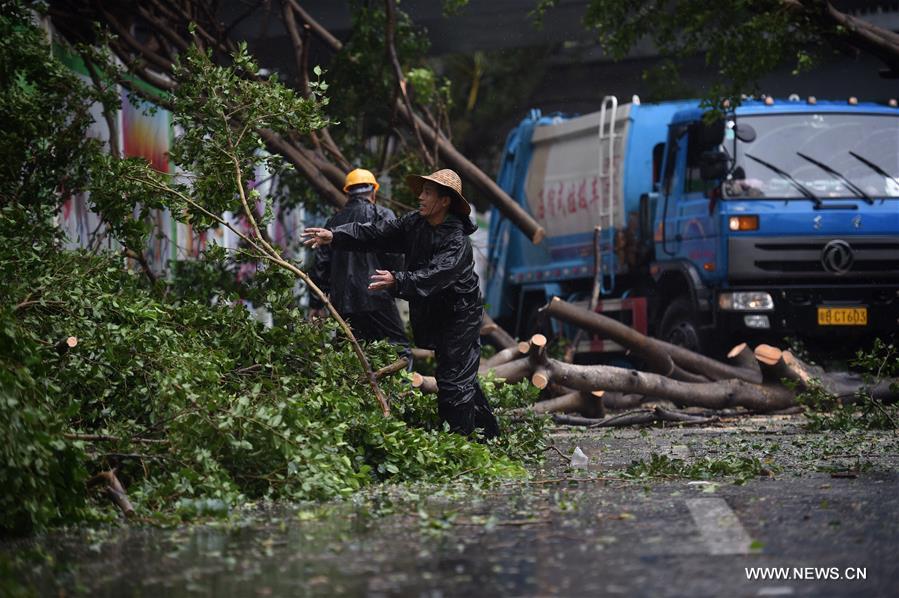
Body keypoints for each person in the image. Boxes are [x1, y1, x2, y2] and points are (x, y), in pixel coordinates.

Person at [303, 168, 500, 439]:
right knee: (457, 376)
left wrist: (397, 279)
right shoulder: (414, 223)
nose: (420, 197)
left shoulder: (456, 241)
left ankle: (461, 444)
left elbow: (435, 274)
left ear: (445, 202)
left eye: (427, 193)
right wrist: (335, 236)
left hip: (459, 315)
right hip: (434, 312)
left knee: (454, 383)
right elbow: (376, 232)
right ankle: (489, 436)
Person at [309, 168, 410, 362]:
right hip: (377, 295)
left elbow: (321, 264)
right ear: (373, 192)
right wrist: (397, 285)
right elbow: (395, 253)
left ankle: (350, 390)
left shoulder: (333, 221)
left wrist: (316, 303)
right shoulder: (383, 214)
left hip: (343, 300)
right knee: (399, 350)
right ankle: (400, 390)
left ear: (347, 193)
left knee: (349, 354)